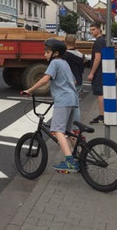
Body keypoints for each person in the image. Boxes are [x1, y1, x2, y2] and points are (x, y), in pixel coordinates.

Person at [22, 38, 80, 172]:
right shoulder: (65, 63)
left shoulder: (55, 62)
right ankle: (81, 156)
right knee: (69, 130)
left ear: (55, 53)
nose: (45, 55)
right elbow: (74, 81)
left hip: (63, 100)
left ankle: (70, 162)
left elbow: (45, 78)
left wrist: (30, 90)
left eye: (47, 52)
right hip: (73, 99)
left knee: (57, 130)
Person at [63, 34, 85, 133]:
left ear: (65, 42)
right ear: (75, 42)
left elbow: (65, 70)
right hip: (79, 80)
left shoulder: (65, 55)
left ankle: (73, 127)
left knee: (68, 105)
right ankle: (75, 126)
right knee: (76, 105)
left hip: (70, 82)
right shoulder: (80, 54)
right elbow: (82, 69)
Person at [88, 23, 105, 124]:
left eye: (93, 29)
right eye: (90, 30)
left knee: (100, 94)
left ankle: (102, 116)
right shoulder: (103, 40)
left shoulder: (98, 42)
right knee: (102, 93)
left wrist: (91, 73)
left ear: (99, 29)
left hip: (99, 71)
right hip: (102, 70)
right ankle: (103, 114)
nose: (91, 32)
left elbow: (97, 58)